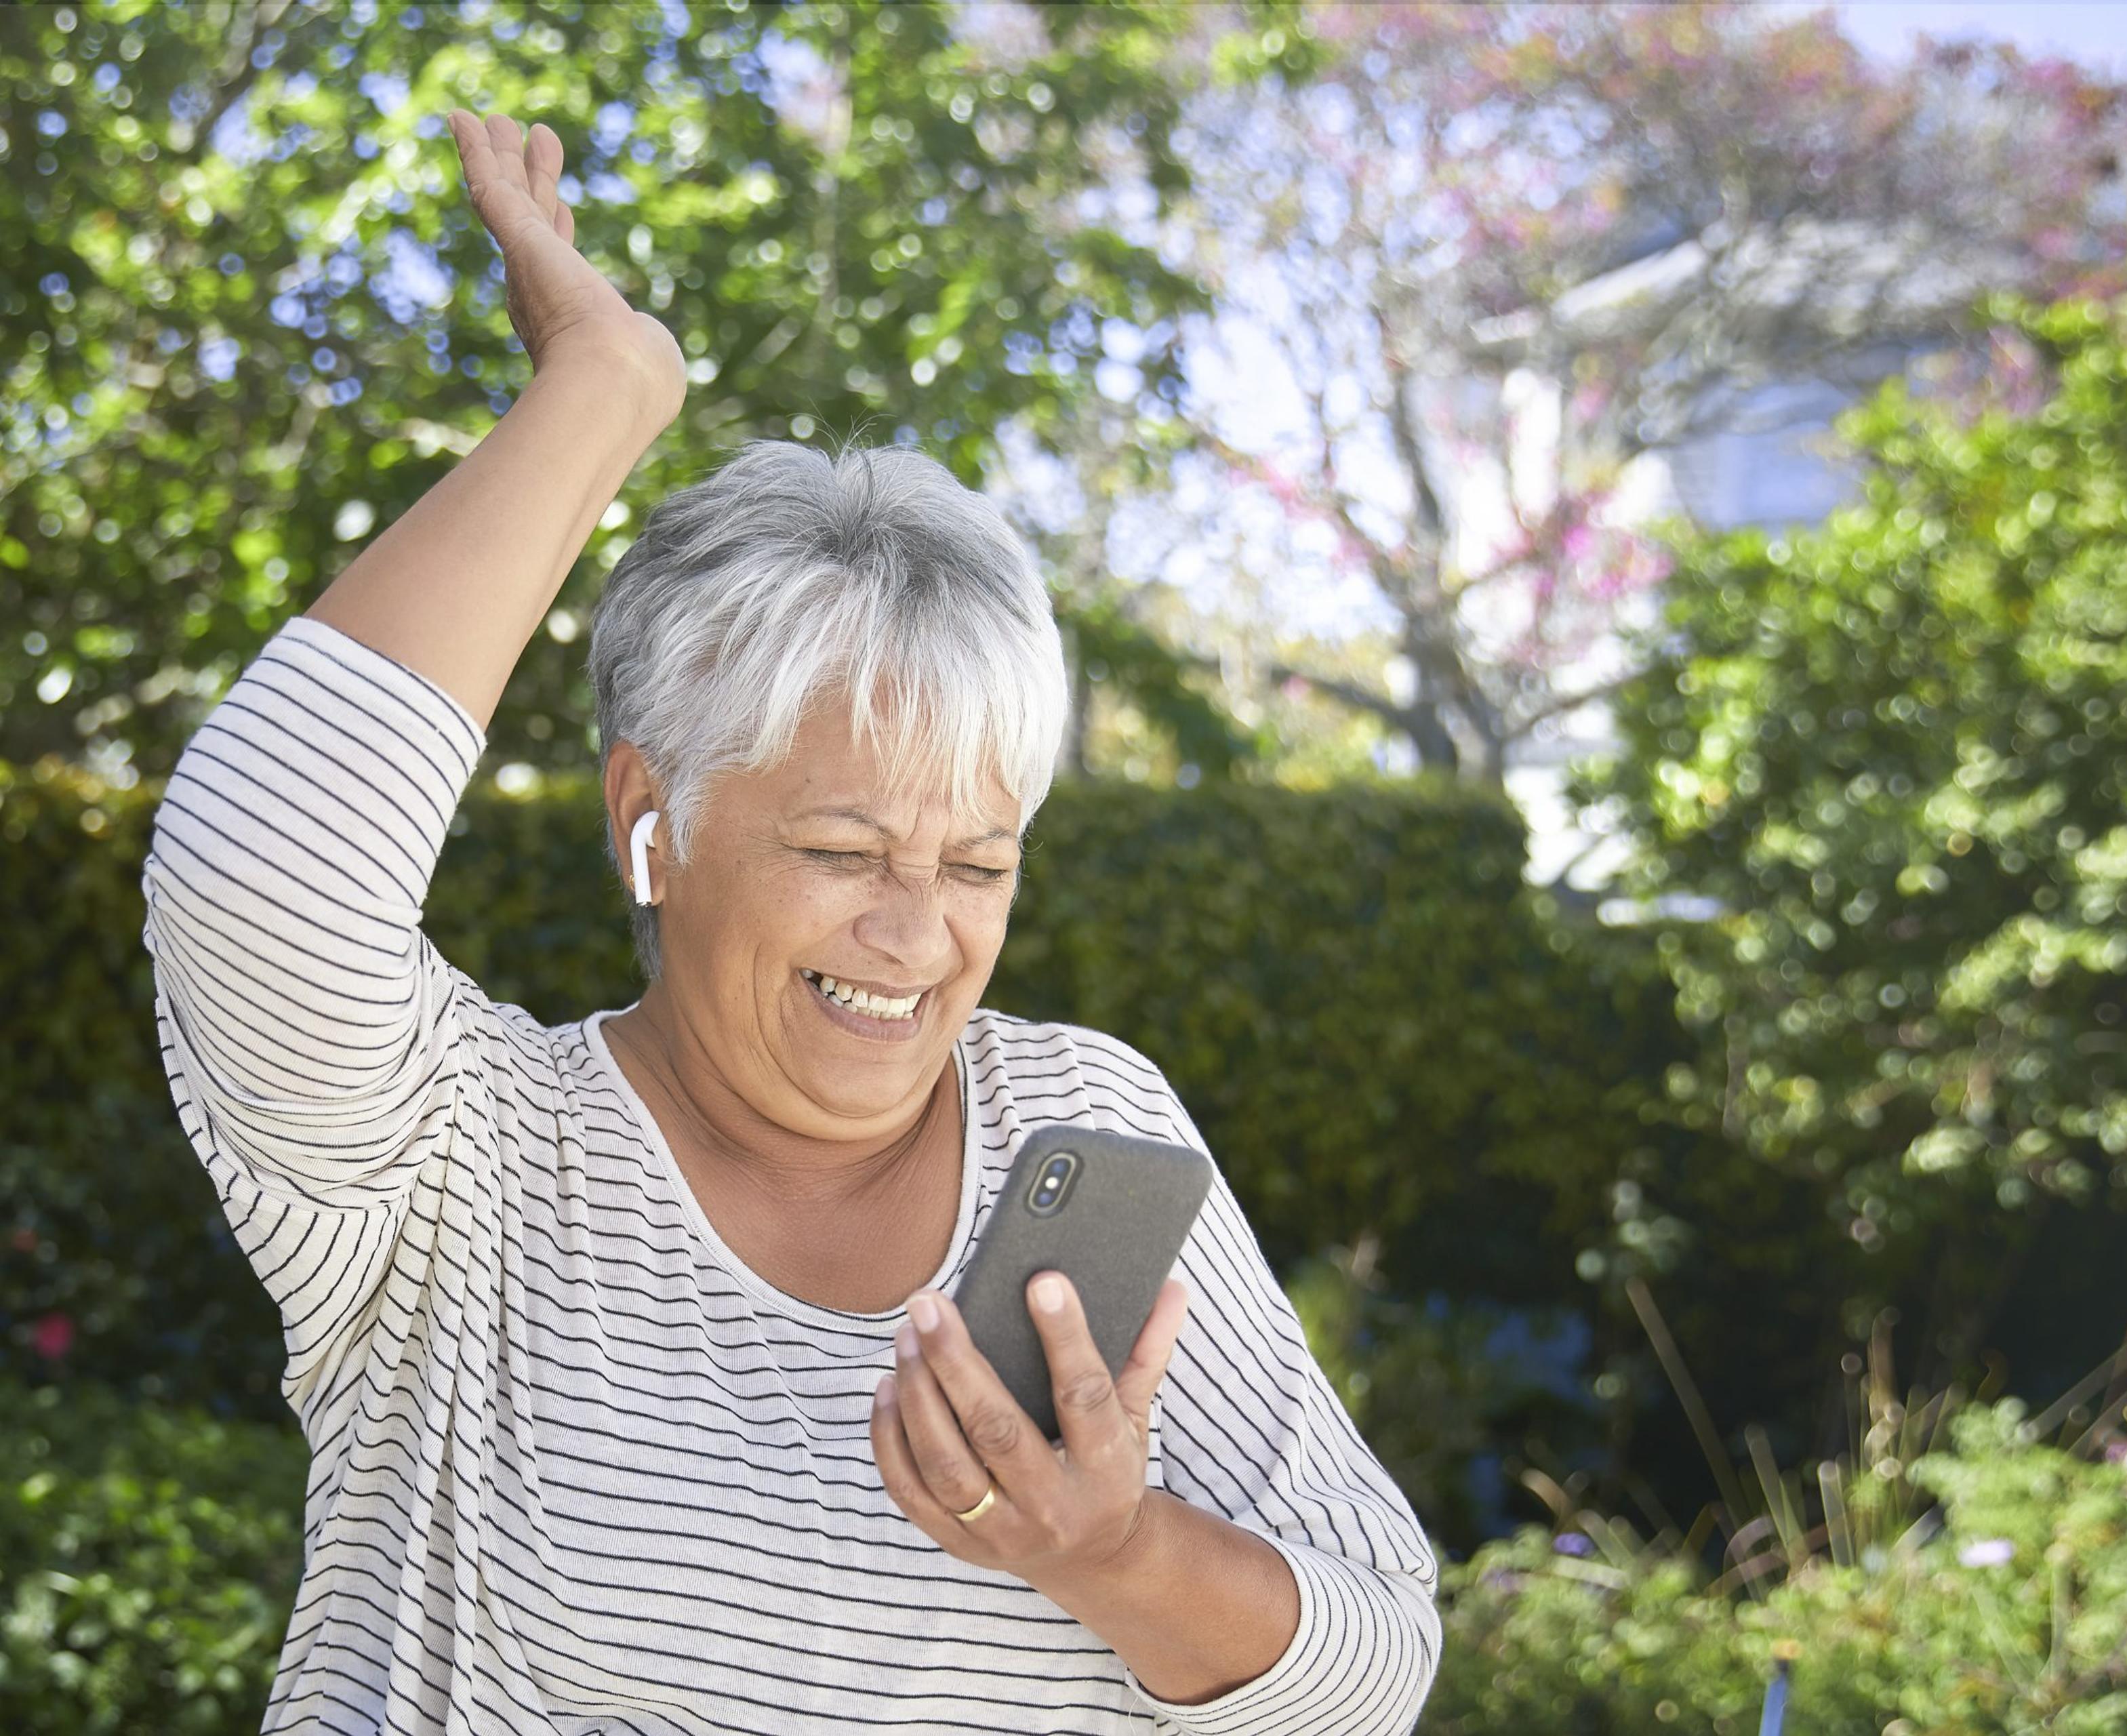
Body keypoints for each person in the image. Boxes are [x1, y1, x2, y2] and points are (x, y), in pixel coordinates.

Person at [140, 110, 1438, 1735]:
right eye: (844, 848)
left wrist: (1112, 1554)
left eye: (978, 865)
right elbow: (256, 877)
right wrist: (601, 393)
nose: (917, 934)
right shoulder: (461, 1168)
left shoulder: (1085, 1131)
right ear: (651, 826)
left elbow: (1376, 1666)